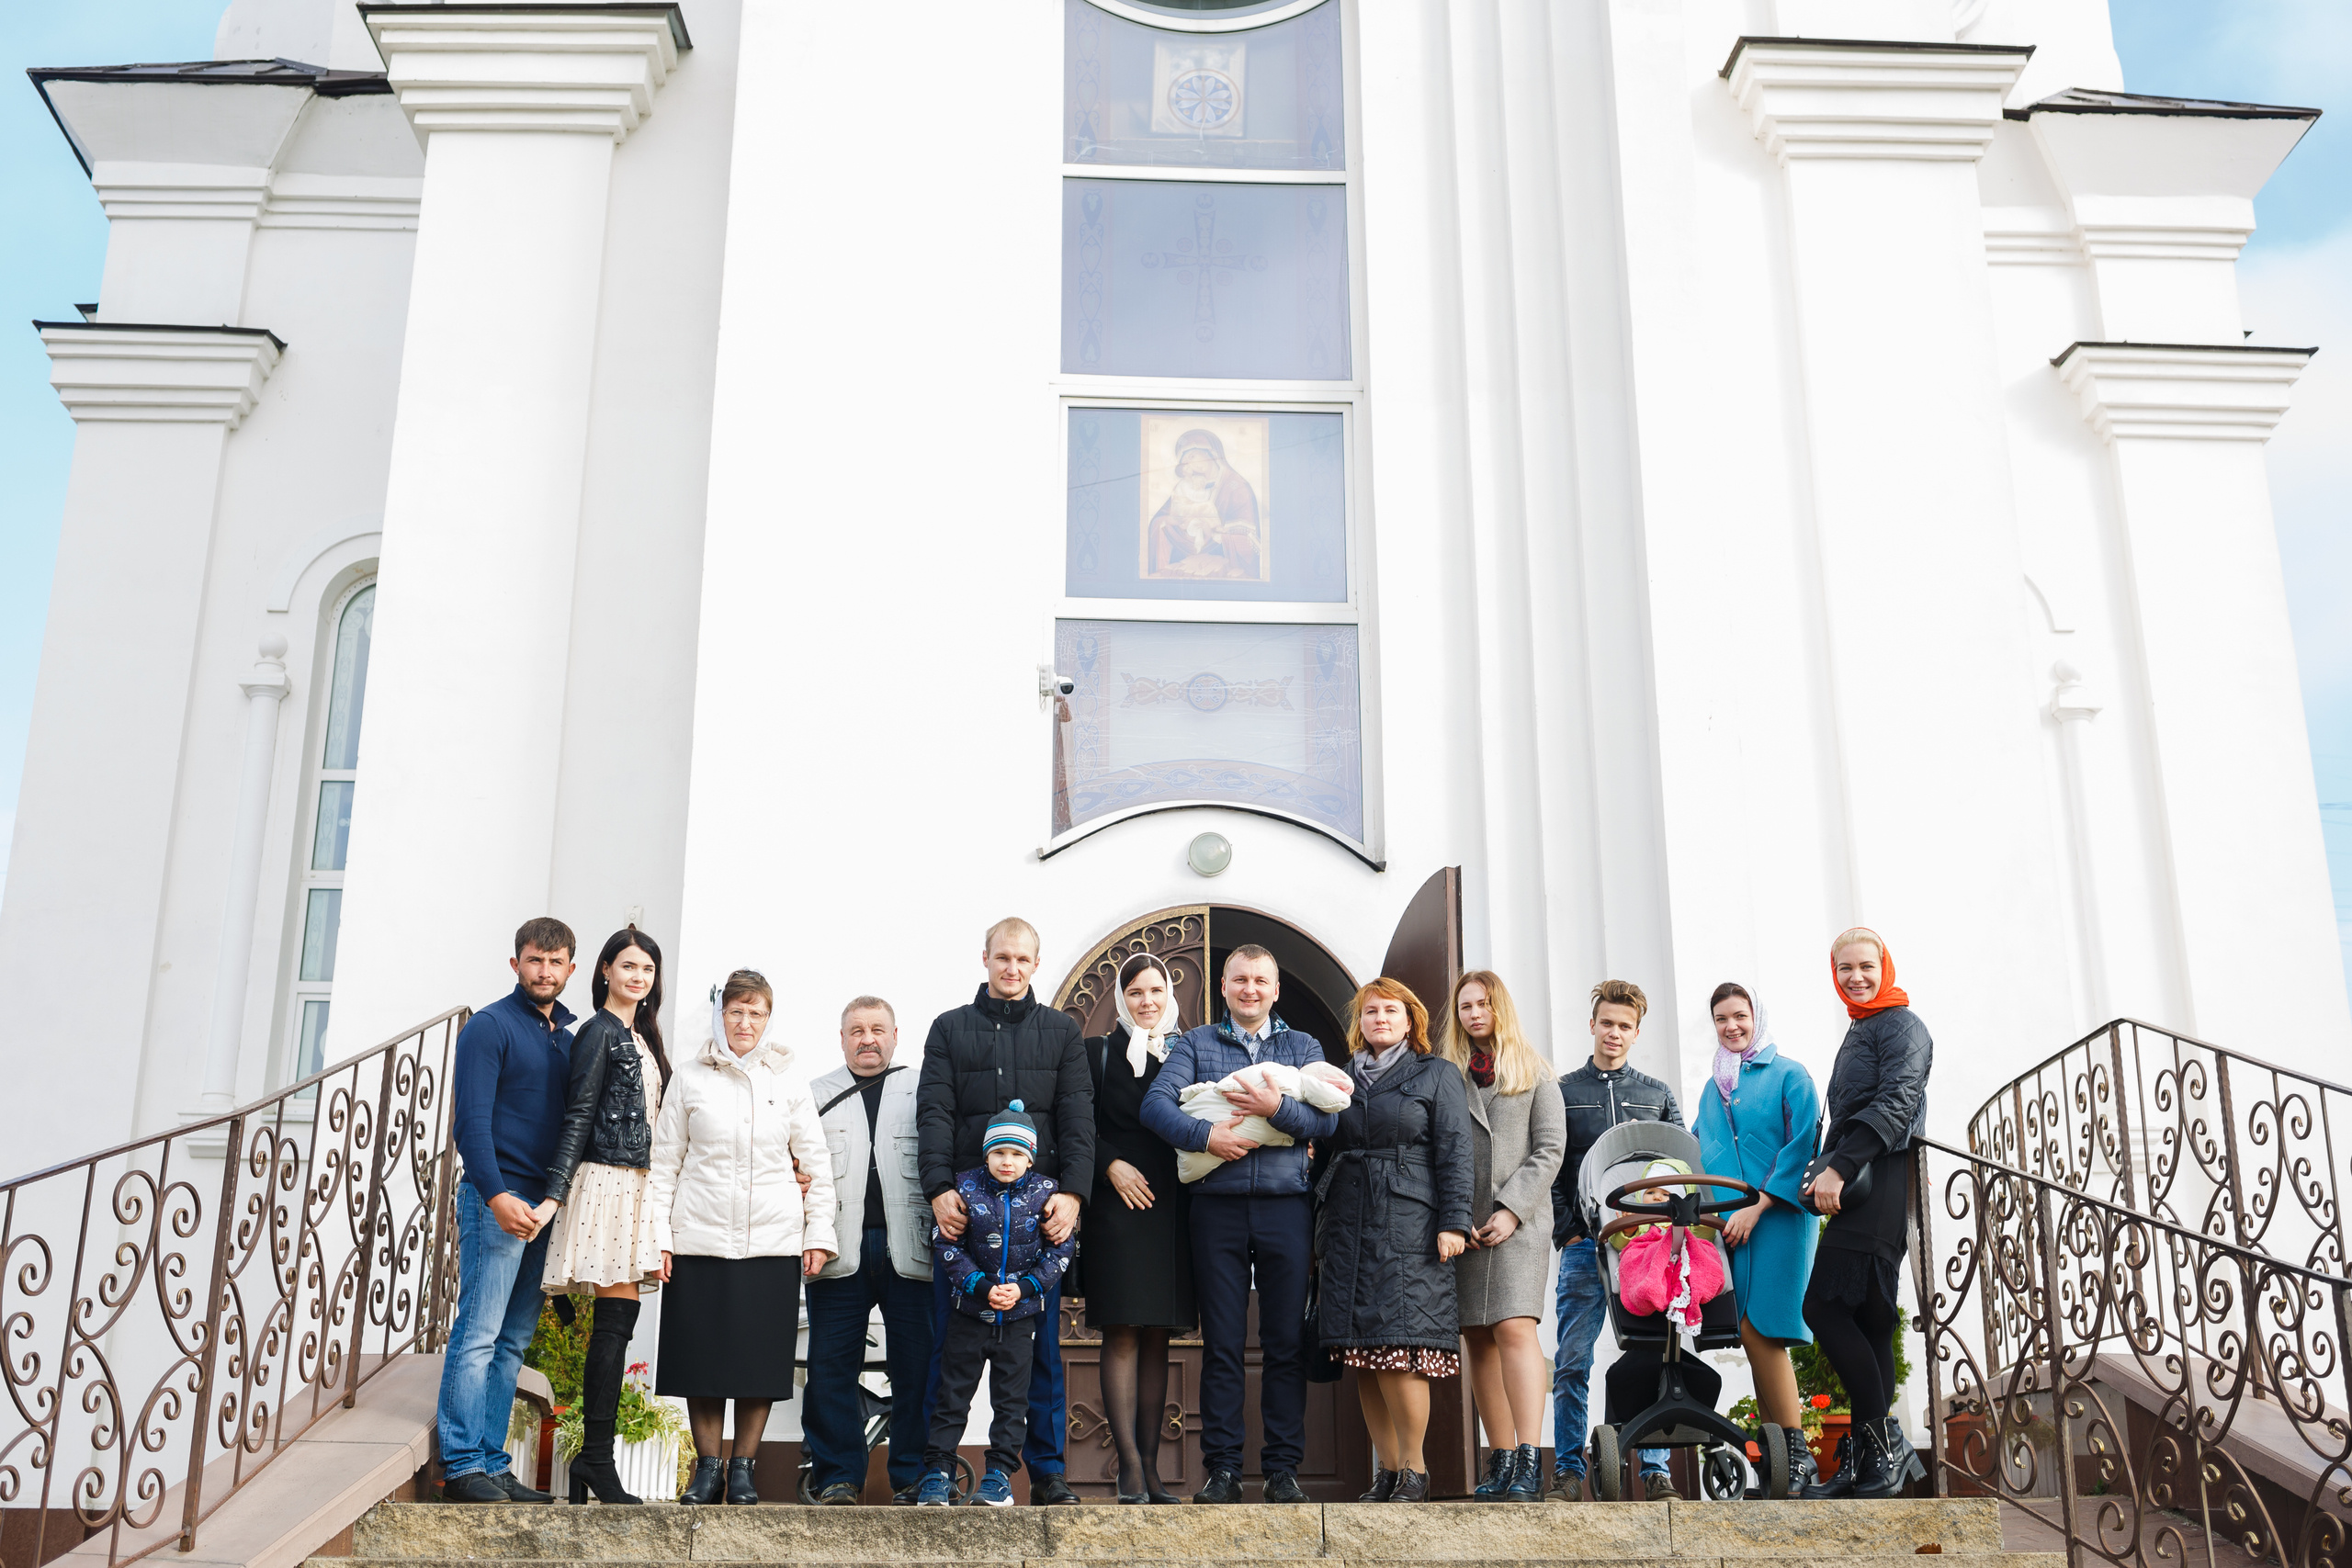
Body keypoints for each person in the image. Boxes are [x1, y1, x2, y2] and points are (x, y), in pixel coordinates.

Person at [1139, 944, 1338, 1505]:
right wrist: (1207, 1137)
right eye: (1240, 980)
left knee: (1284, 1344)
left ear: (1275, 990)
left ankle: (1282, 1470)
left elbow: (1327, 1121)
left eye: (1260, 981)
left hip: (1286, 1206)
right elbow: (1155, 1105)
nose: (1250, 989)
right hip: (1216, 1208)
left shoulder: (1303, 1046)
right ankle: (1222, 1470)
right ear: (1223, 987)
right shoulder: (1195, 1043)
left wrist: (1276, 1111)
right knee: (1222, 1344)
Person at [916, 917, 1094, 1506]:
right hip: (965, 1221)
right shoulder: (949, 1029)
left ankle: (1045, 1472)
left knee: (1039, 1357)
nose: (1011, 968)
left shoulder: (1061, 1032)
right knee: (950, 1355)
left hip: (1036, 1222)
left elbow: (1077, 1117)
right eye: (1002, 958)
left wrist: (1073, 1194)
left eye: (1022, 959)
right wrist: (939, 1188)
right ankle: (936, 1471)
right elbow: (935, 1114)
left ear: (1036, 964)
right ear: (985, 959)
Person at [647, 967, 837, 1506]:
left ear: (768, 1019)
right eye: (736, 1011)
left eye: (756, 1013)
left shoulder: (789, 1081)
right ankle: (708, 1470)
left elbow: (815, 1163)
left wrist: (817, 1233)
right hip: (698, 1241)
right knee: (700, 1361)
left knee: (759, 1363)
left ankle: (744, 1470)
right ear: (721, 1015)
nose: (745, 1022)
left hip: (772, 1244)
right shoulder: (689, 1077)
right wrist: (659, 1237)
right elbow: (664, 1165)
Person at [1314, 977, 1472, 1504]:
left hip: (1410, 1226)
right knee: (1362, 1354)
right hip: (1348, 1224)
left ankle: (1415, 1470)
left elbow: (1456, 1150)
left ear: (1410, 1021)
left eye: (1390, 1010)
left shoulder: (1437, 1073)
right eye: (1370, 1011)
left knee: (1400, 1350)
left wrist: (1454, 1221)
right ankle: (1385, 1470)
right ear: (1359, 1022)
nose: (1379, 1018)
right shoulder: (1339, 1079)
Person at [436, 918, 577, 1505]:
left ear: (571, 969)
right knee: (479, 1334)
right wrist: (496, 1197)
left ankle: (492, 1464)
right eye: (534, 960)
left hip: (543, 1208)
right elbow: (469, 1122)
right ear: (516, 963)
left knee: (513, 1342)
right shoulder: (489, 1027)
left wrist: (552, 1204)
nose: (545, 971)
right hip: (497, 1200)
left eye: (555, 962)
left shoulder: (568, 1037)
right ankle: (462, 1463)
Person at [536, 925, 671, 1505]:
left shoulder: (641, 1037)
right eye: (628, 966)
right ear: (605, 971)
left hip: (637, 1185)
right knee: (613, 1324)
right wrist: (554, 1196)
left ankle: (593, 1459)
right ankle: (595, 1458)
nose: (638, 977)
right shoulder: (597, 1032)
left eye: (648, 969)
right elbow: (579, 1115)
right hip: (605, 1184)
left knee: (618, 1324)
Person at [1801, 929, 1931, 1500]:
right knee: (1873, 1317)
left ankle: (1885, 1449)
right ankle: (1868, 1463)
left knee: (1823, 1306)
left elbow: (1896, 1102)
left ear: (1886, 967)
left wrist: (1840, 1167)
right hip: (1869, 1180)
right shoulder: (1864, 1027)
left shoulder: (1902, 1025)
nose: (1856, 977)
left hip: (1879, 1177)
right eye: (1844, 968)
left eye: (1866, 966)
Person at [1549, 980, 1681, 1502]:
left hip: (1646, 1249)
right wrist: (1568, 1231)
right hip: (1585, 1245)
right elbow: (1551, 1165)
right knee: (1572, 1361)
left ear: (1636, 1032)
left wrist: (1664, 1228)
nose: (1615, 1033)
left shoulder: (1657, 1095)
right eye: (1607, 1023)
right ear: (1593, 1025)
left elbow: (1679, 1167)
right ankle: (1567, 1470)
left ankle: (1655, 1469)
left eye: (1625, 1026)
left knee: (1653, 1353)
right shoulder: (1562, 1092)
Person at [1691, 982, 1822, 1497]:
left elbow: (1805, 1142)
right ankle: (1777, 1464)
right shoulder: (1713, 1087)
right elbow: (1701, 1148)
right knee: (1750, 1335)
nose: (1731, 1027)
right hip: (1732, 1228)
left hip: (1780, 1218)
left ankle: (1798, 1455)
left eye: (1739, 1016)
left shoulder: (1790, 1074)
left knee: (1763, 1328)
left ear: (1756, 1016)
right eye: (1721, 1019)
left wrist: (1761, 1203)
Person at [805, 995, 934, 1506]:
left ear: (895, 1036)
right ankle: (838, 1476)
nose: (868, 1039)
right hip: (838, 1249)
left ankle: (914, 1477)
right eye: (857, 1031)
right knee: (829, 1368)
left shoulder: (924, 1088)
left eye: (877, 1029)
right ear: (842, 1039)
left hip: (914, 1249)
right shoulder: (815, 1094)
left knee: (918, 1368)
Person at [914, 1104, 1077, 1507]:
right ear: (986, 1155)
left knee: (1011, 1404)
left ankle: (999, 1478)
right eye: (999, 1152)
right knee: (951, 1398)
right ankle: (937, 1474)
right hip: (969, 1316)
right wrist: (981, 1287)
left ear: (1030, 1158)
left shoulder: (1046, 1193)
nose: (1008, 1161)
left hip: (1019, 1320)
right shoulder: (964, 1188)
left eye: (1017, 1153)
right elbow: (947, 1245)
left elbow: (1060, 1251)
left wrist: (1024, 1289)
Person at [1442, 972, 1565, 1505]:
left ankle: (1531, 1459)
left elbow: (1550, 1148)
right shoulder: (1448, 1076)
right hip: (1466, 1226)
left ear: (1501, 1008)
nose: (1475, 1014)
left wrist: (1512, 1209)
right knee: (1477, 1336)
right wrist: (1455, 1215)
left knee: (1515, 1328)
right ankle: (1501, 1458)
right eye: (1466, 1006)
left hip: (1521, 1223)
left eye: (1483, 1004)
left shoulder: (1535, 1072)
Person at [1080, 953, 1194, 1503]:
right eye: (1135, 992)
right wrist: (1109, 1165)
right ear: (1120, 999)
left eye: (1155, 991)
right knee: (1123, 1330)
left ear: (1169, 994)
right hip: (1118, 1205)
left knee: (1158, 1336)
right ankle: (1127, 1468)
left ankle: (1151, 1469)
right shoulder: (1096, 1053)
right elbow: (1074, 1124)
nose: (1146, 1002)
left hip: (1175, 1206)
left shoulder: (1190, 1050)